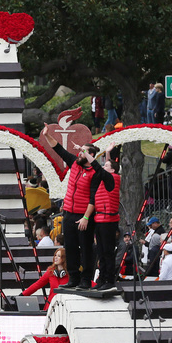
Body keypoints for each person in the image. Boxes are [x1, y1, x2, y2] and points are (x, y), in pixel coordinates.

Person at [39, 125, 108, 289]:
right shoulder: (75, 164)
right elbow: (59, 149)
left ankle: (86, 280)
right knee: (70, 247)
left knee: (86, 248)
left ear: (91, 155)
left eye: (83, 151)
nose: (79, 153)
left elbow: (93, 198)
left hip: (83, 216)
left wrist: (86, 217)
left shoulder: (95, 173)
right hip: (69, 213)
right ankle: (73, 278)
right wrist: (47, 135)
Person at [92, 154, 121, 291]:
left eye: (107, 166)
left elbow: (98, 168)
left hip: (108, 219)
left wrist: (86, 153)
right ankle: (102, 278)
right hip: (100, 218)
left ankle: (109, 279)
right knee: (101, 251)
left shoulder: (114, 178)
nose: (104, 167)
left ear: (113, 170)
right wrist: (108, 154)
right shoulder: (105, 178)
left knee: (107, 251)